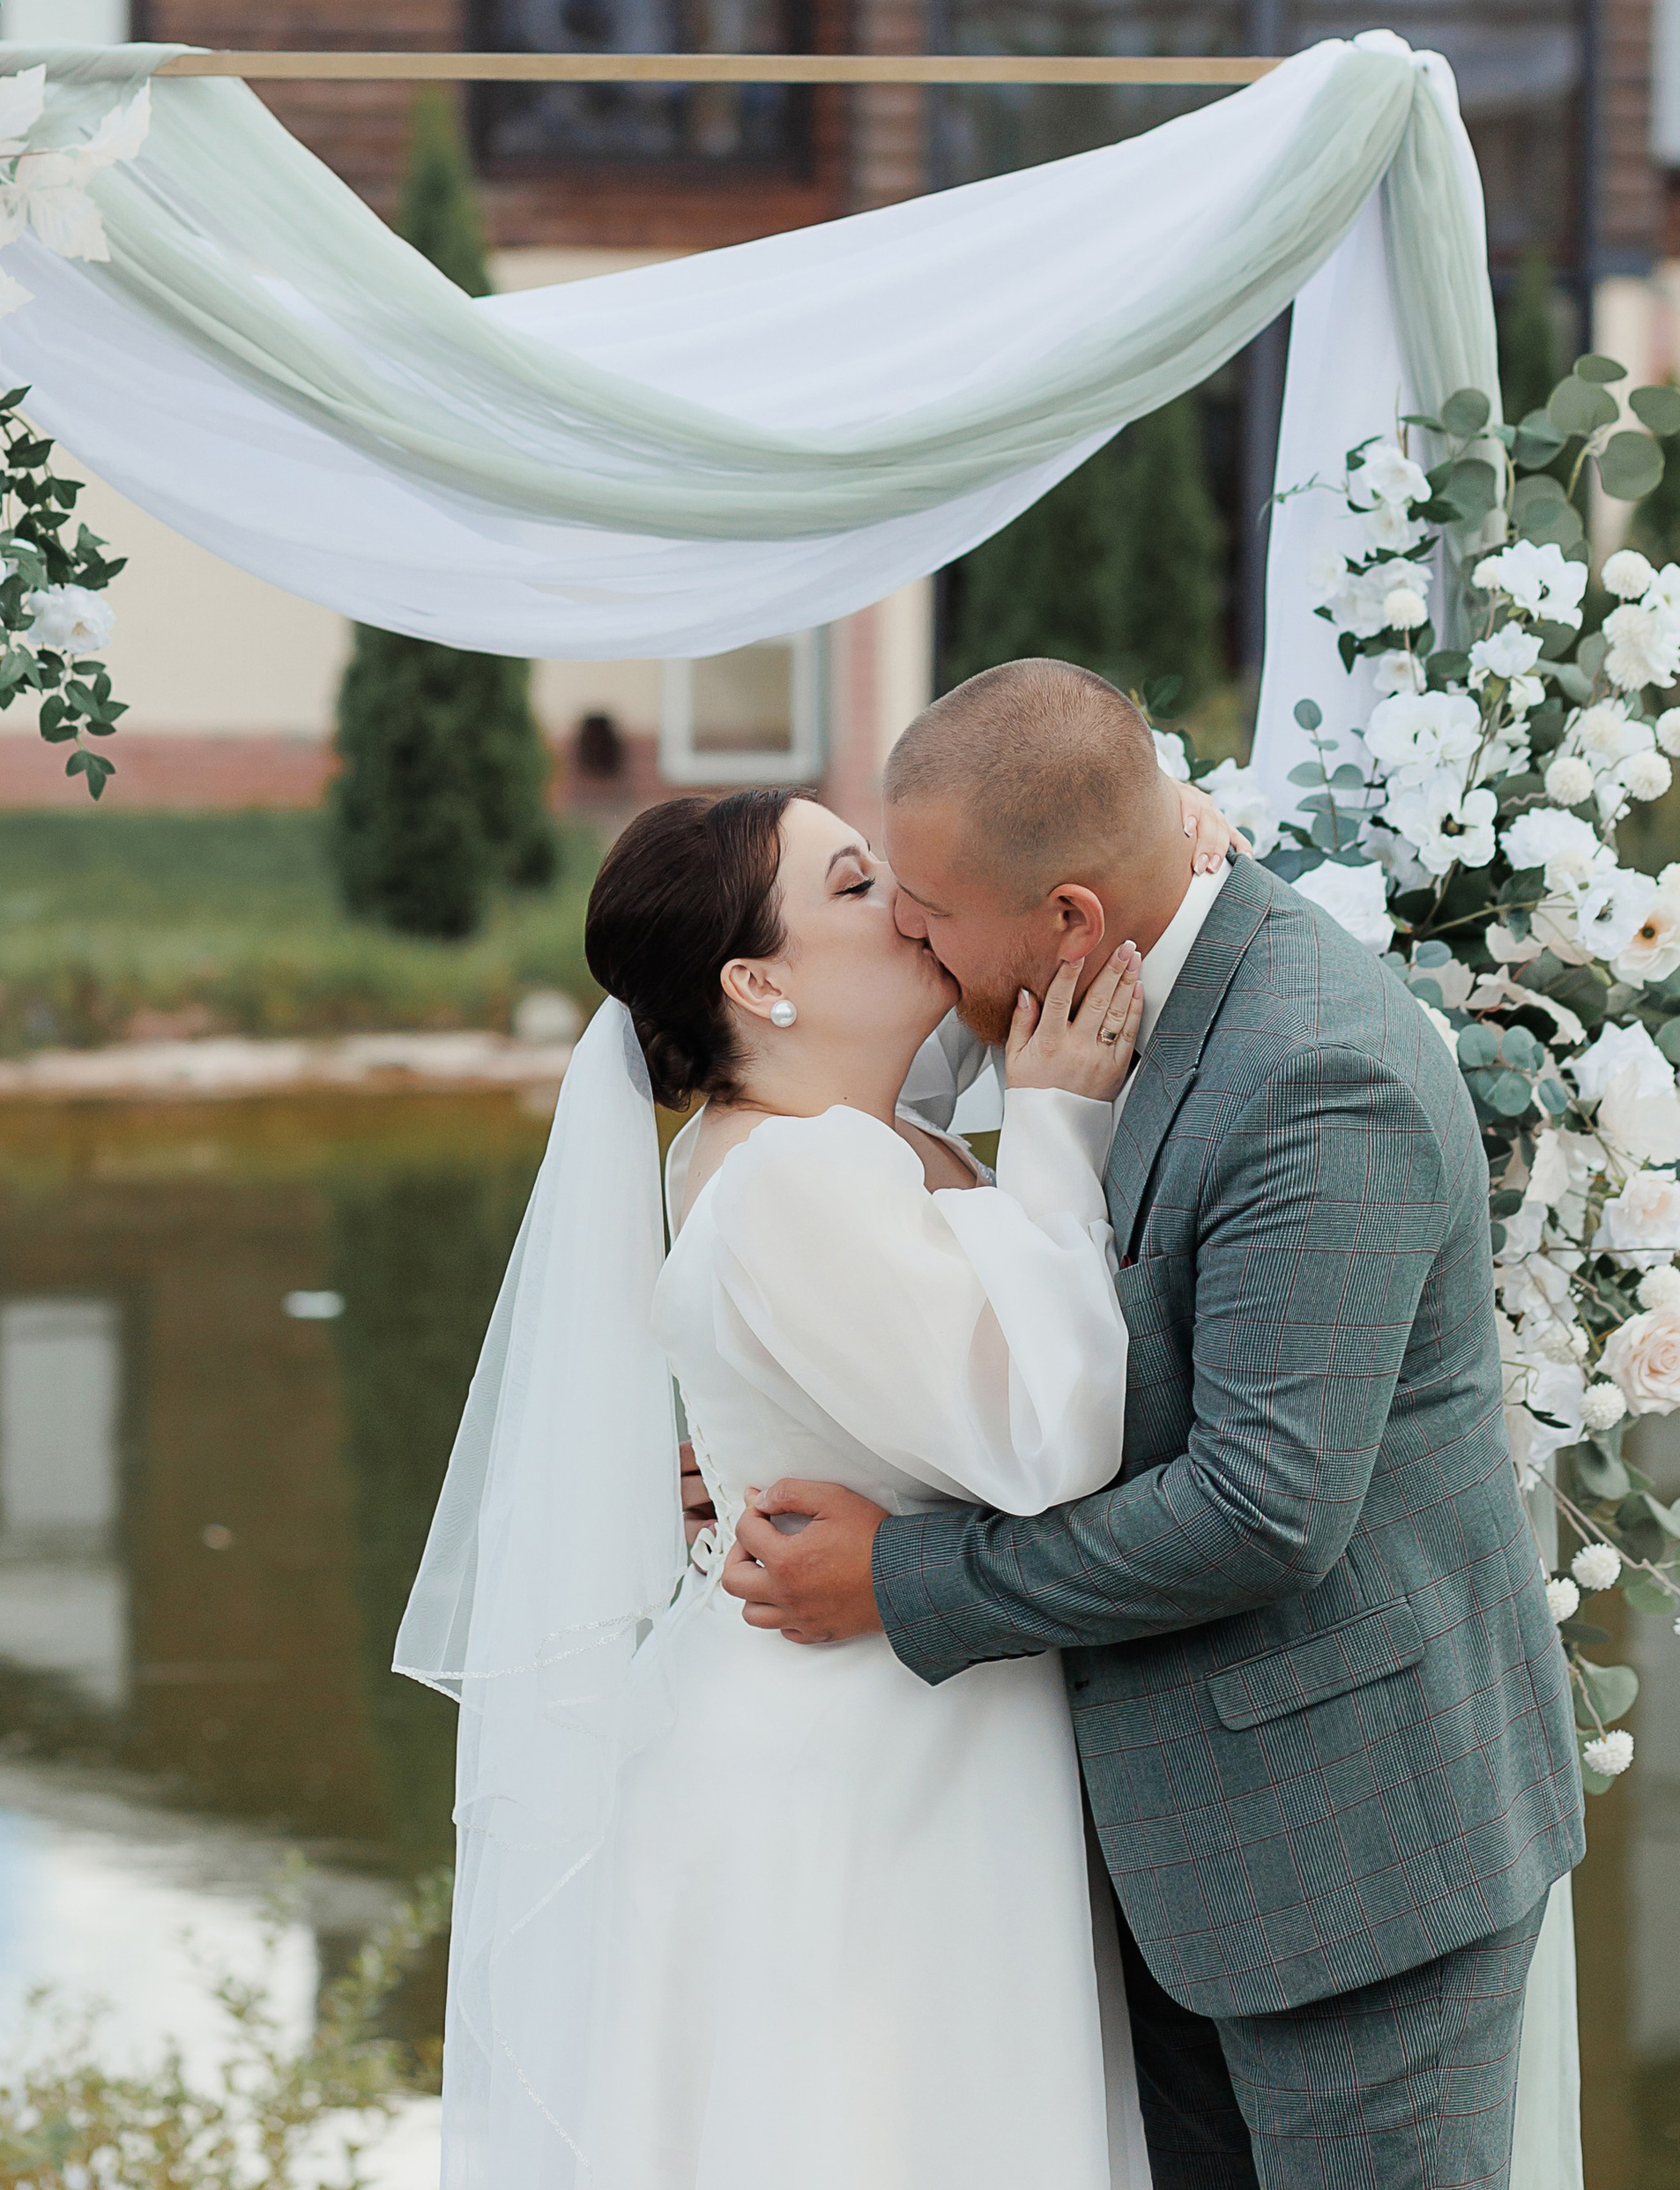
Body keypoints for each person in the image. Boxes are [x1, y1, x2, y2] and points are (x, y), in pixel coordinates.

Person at [725, 659, 1587, 2190]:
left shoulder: (1317, 1073)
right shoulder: (1068, 972)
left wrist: (902, 1576)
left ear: (1067, 915)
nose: (906, 934)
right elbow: (819, 1095)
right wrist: (781, 1433)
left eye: (924, 903)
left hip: (1355, 1858)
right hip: (1162, 1848)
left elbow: (1263, 1507)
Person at [399, 765, 1236, 2190]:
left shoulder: (853, 1132)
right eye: (856, 887)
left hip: (916, 1728)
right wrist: (1054, 1132)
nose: (909, 905)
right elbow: (1045, 1434)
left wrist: (1174, 839)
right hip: (853, 1768)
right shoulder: (792, 1180)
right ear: (759, 984)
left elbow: (1006, 971)